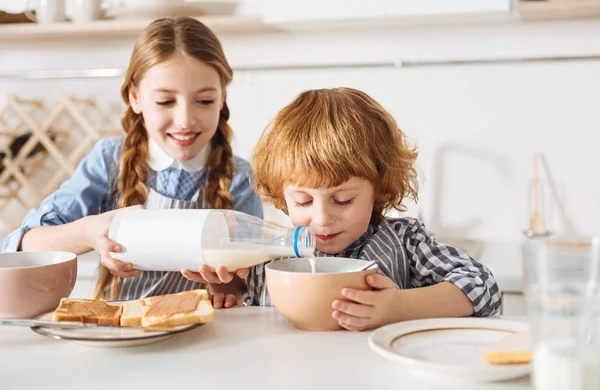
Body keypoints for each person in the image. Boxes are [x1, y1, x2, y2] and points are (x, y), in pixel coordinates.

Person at [2, 17, 262, 309]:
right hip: (118, 332)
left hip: (202, 337)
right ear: (135, 97)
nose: (186, 119)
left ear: (223, 98)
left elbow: (248, 284)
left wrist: (223, 283)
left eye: (204, 101)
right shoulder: (109, 160)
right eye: (165, 102)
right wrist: (90, 232)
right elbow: (22, 246)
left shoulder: (238, 176)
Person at [245, 87, 501, 330]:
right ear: (281, 195)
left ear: (379, 190)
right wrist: (228, 291)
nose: (322, 219)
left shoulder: (406, 241)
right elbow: (243, 308)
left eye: (343, 200)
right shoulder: (269, 253)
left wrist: (399, 306)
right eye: (303, 201)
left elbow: (482, 286)